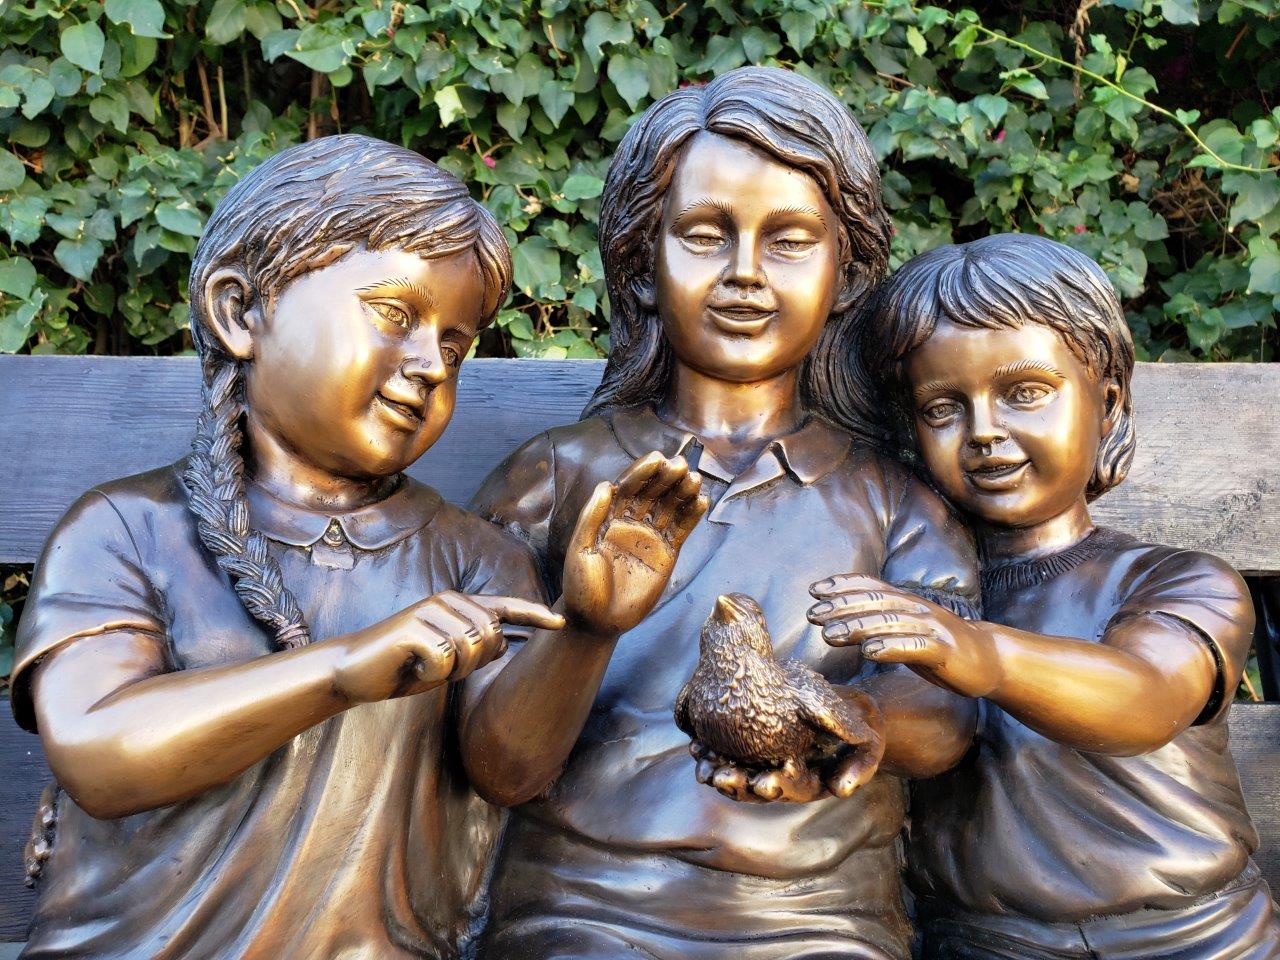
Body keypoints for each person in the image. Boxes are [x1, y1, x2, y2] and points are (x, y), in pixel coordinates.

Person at [11, 134, 703, 960]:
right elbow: (97, 753)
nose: (428, 366)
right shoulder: (127, 530)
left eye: (454, 343)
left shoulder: (475, 559)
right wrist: (344, 671)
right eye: (395, 315)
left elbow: (508, 774)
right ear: (241, 311)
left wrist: (589, 628)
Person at [464, 67, 980, 960]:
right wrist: (587, 628)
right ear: (641, 260)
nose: (744, 273)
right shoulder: (555, 477)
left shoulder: (894, 503)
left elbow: (949, 713)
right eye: (704, 234)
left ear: (846, 269)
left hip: (821, 924)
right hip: (585, 915)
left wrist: (855, 717)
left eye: (789, 240)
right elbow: (503, 765)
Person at [811, 233, 1280, 959]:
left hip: (1194, 938)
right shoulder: (921, 592)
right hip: (984, 942)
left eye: (1024, 392)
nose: (985, 433)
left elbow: (1147, 697)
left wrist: (976, 654)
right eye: (943, 409)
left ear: (1107, 400)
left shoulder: (1179, 583)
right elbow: (889, 720)